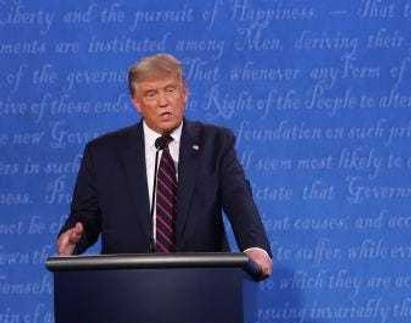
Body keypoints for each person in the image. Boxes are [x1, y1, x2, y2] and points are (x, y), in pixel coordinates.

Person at [55, 53, 273, 278]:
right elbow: (85, 216)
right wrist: (73, 239)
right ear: (136, 103)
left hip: (204, 283)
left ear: (184, 93)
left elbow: (239, 200)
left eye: (170, 90)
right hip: (125, 286)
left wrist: (255, 248)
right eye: (151, 94)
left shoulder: (215, 143)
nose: (163, 102)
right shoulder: (103, 153)